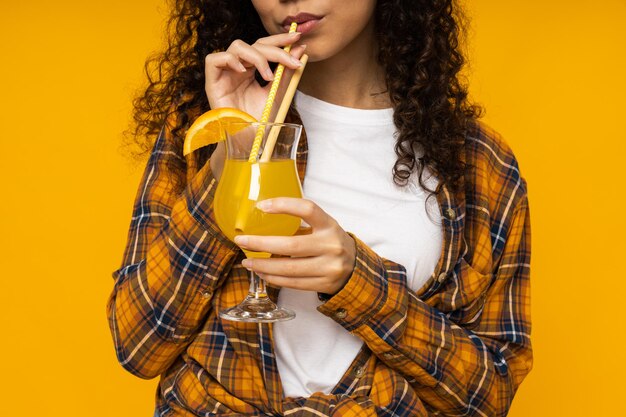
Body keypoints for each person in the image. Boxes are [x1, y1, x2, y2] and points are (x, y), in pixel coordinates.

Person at [106, 0, 532, 416]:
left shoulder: (477, 162)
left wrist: (357, 281)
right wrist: (234, 152)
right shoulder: (204, 125)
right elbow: (138, 344)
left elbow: (489, 394)